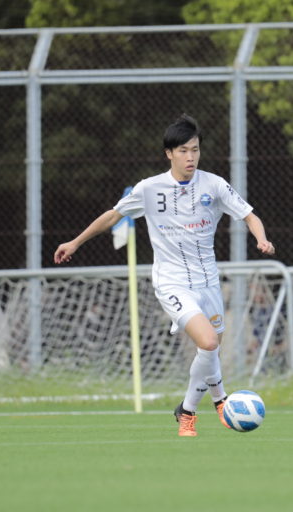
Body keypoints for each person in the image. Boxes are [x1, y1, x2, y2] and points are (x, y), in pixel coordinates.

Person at [54, 114, 275, 436]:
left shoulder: (214, 185)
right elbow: (113, 216)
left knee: (210, 350)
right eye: (183, 151)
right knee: (208, 342)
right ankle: (208, 405)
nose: (190, 157)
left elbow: (249, 215)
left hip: (208, 282)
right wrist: (75, 242)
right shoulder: (149, 188)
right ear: (169, 153)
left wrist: (261, 239)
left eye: (195, 150)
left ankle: (192, 407)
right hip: (172, 282)